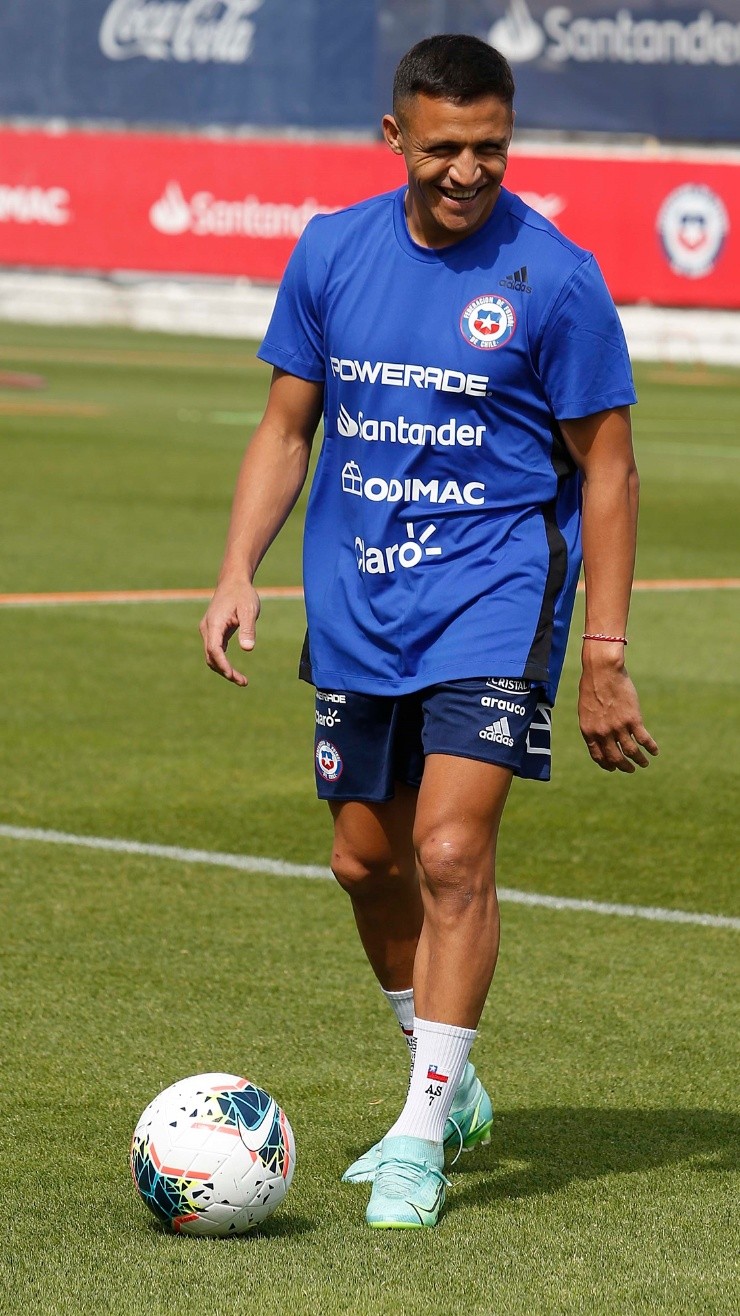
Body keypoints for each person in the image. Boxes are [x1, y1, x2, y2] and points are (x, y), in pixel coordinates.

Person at [200, 33, 659, 1229]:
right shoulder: (330, 250)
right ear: (394, 137)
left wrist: (600, 653)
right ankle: (443, 1073)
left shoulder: (552, 276)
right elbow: (286, 425)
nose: (469, 171)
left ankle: (418, 1128)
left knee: (452, 852)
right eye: (445, 148)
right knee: (364, 859)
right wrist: (234, 569)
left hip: (491, 597)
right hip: (357, 599)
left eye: (491, 149)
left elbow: (604, 473)